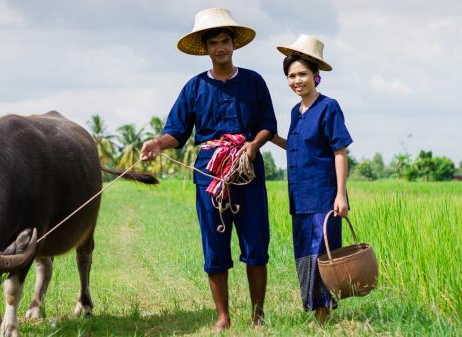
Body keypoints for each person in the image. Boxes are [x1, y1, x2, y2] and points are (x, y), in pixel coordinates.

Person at [140, 8, 277, 331]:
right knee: (215, 248)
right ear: (205, 49)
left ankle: (258, 316)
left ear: (234, 45)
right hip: (210, 176)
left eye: (225, 41)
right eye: (213, 42)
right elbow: (177, 130)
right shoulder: (194, 88)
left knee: (256, 246)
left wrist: (253, 145)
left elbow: (268, 125)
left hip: (248, 172)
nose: (220, 47)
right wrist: (158, 144)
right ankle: (223, 317)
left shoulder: (254, 82)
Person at [271, 34, 353, 324]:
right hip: (299, 198)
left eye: (303, 74)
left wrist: (341, 195)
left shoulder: (328, 107)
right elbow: (297, 147)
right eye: (291, 76)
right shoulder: (296, 112)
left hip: (323, 197)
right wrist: (271, 137)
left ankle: (324, 314)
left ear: (316, 76)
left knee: (323, 252)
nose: (297, 80)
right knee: (305, 254)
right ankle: (316, 311)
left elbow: (339, 151)